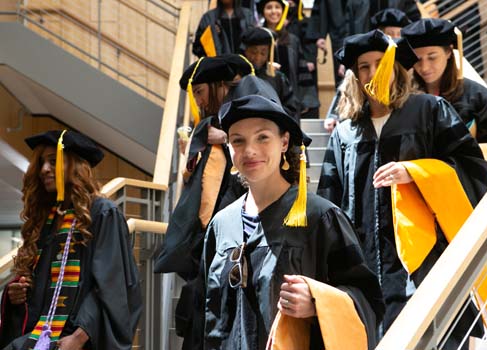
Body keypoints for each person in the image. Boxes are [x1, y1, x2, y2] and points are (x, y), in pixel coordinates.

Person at [317, 30, 487, 342]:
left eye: (379, 63)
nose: (372, 73)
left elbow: (472, 167)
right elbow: (330, 204)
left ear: (395, 67)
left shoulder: (429, 110)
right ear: (355, 76)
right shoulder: (344, 134)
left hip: (424, 261)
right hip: (366, 266)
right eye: (363, 67)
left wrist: (416, 171)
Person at [196, 78, 384, 349]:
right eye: (238, 141)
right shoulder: (221, 225)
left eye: (263, 137)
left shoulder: (320, 218)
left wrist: (319, 302)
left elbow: (367, 301)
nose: (250, 150)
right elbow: (212, 320)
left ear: (284, 142)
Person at [0, 130, 142, 350]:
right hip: (40, 335)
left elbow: (112, 286)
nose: (45, 169)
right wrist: (16, 295)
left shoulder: (102, 213)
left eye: (53, 161)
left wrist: (79, 337)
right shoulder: (47, 219)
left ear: (75, 166)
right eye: (42, 163)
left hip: (79, 337)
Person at [154, 55, 253, 350]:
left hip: (234, 236)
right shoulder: (207, 127)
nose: (197, 100)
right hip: (205, 241)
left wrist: (226, 139)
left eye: (200, 91)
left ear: (217, 86)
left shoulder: (240, 114)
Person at [402, 18, 487, 161]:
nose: (424, 67)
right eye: (417, 59)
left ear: (448, 52)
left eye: (432, 57)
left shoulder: (479, 97)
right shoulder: (405, 100)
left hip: (471, 177)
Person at [258, 0, 320, 117]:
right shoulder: (257, 39)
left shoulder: (292, 40)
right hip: (264, 98)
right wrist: (265, 67)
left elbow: (301, 72)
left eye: (277, 7)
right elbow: (250, 67)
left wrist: (305, 99)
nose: (273, 11)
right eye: (269, 7)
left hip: (291, 101)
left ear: (283, 11)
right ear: (263, 12)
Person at [241, 26, 300, 121]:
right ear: (246, 51)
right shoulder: (238, 77)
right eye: (253, 52)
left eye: (263, 53)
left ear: (269, 53)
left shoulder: (277, 77)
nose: (257, 57)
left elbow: (291, 108)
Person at [306, 0, 370, 85]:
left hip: (363, 40)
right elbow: (320, 11)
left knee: (362, 80)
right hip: (339, 38)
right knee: (342, 83)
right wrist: (320, 35)